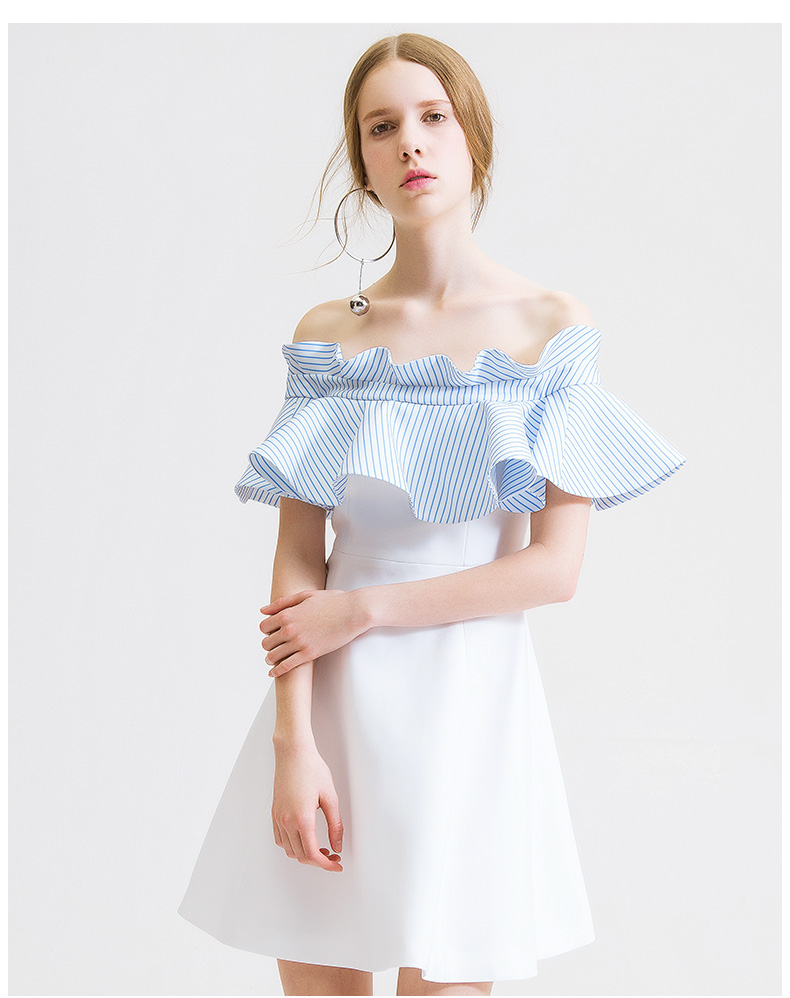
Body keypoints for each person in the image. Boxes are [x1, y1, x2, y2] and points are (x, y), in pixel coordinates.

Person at [178, 32, 686, 998]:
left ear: (471, 136)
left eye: (431, 117)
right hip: (330, 716)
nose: (409, 141)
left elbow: (553, 571)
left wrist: (360, 610)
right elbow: (297, 559)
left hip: (469, 711)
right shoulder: (328, 336)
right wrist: (294, 743)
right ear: (362, 163)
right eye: (381, 127)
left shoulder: (550, 327)